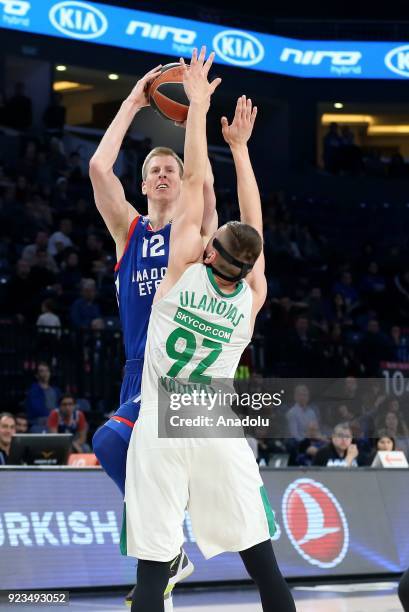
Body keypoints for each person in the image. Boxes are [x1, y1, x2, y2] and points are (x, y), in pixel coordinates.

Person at [125, 47, 296, 612]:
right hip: (214, 427)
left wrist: (198, 108)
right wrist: (242, 152)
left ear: (208, 249)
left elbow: (196, 179)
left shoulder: (179, 273)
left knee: (152, 577)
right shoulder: (253, 294)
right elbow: (255, 221)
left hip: (159, 424)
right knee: (266, 572)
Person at [90, 63, 218, 603]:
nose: (165, 175)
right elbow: (99, 166)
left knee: (108, 440)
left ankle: (168, 544)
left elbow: (202, 180)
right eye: (156, 170)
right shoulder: (129, 231)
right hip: (136, 372)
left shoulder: (196, 231)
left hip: (182, 375)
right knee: (128, 462)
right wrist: (133, 102)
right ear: (143, 183)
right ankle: (165, 560)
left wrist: (199, 118)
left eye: (172, 168)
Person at [25, 362, 60, 428]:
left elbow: (60, 406)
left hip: (55, 421)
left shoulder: (56, 390)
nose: (45, 373)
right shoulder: (33, 390)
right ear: (37, 375)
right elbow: (37, 410)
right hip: (38, 422)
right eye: (42, 371)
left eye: (47, 370)